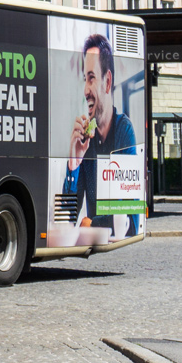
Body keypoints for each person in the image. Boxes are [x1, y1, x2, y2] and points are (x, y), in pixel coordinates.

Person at [63, 33, 138, 237]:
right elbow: (66, 219)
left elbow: (130, 221)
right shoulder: (86, 142)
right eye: (84, 80)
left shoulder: (124, 131)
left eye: (91, 78)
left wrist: (90, 224)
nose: (86, 90)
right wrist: (73, 164)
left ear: (107, 81)